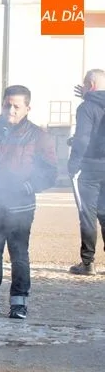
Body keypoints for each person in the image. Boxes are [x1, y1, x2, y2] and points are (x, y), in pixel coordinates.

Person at [0, 85, 57, 320]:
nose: (11, 110)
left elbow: (49, 172)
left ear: (28, 107)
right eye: (7, 105)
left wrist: (27, 187)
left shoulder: (38, 136)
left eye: (17, 106)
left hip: (19, 206)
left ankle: (19, 302)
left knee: (18, 254)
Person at [67, 69, 105, 275]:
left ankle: (88, 262)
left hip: (91, 168)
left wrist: (73, 165)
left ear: (90, 85)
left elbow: (83, 139)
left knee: (88, 214)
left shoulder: (86, 107)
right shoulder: (92, 102)